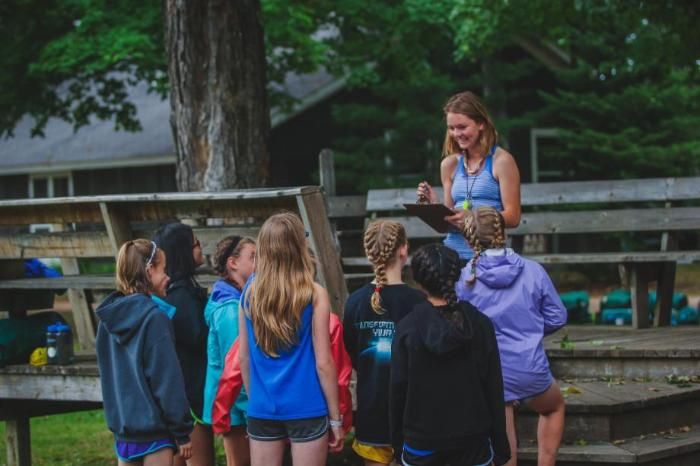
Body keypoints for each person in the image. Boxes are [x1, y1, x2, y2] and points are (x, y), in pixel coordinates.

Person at [456, 207, 567, 466]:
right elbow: (557, 316)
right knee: (553, 407)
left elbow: (460, 323)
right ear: (501, 232)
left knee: (503, 435)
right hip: (529, 366)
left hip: (488, 373)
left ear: (470, 237)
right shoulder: (533, 270)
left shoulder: (465, 278)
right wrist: (530, 330)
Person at [237, 212, 343, 466]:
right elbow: (323, 363)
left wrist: (257, 401)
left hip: (263, 406)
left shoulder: (249, 294)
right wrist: (336, 419)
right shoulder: (314, 294)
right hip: (307, 405)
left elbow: (243, 359)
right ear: (299, 246)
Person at [391, 243, 510, 466]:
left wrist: (397, 445)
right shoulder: (480, 325)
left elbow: (397, 390)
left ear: (417, 279)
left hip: (422, 443)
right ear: (457, 275)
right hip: (472, 442)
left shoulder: (407, 329)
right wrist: (501, 446)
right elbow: (494, 387)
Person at [96, 240, 193, 465]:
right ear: (149, 271)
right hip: (155, 434)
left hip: (124, 433)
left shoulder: (107, 321)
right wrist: (182, 430)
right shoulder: (155, 318)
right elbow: (167, 379)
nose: (168, 276)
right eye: (163, 269)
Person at [343, 220, 426, 466]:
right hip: (413, 415)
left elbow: (353, 353)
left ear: (368, 252)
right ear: (404, 250)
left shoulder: (355, 302)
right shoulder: (419, 302)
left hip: (371, 410)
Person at [416, 90, 521, 261]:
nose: (457, 134)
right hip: (452, 255)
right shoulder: (449, 165)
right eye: (451, 128)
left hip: (488, 257)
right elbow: (450, 219)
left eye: (462, 127)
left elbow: (514, 217)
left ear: (480, 124)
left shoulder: (501, 161)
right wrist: (434, 206)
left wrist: (474, 217)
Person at [153, 223, 213, 466]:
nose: (201, 249)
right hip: (191, 400)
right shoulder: (181, 298)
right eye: (196, 244)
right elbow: (201, 339)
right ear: (183, 251)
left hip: (183, 397)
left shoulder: (175, 294)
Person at [202, 236, 256, 466]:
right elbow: (235, 366)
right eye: (253, 257)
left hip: (236, 407)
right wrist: (255, 411)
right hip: (235, 409)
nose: (260, 262)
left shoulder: (237, 301)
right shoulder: (230, 310)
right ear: (233, 263)